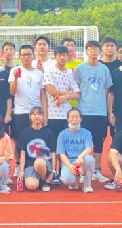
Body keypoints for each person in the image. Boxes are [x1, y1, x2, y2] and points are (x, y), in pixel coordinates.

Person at [73, 40, 112, 183]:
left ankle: (96, 171)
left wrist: (106, 108)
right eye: (90, 49)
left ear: (99, 51)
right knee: (83, 142)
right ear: (86, 51)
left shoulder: (104, 69)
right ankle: (82, 171)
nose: (93, 51)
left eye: (96, 48)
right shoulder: (80, 68)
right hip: (84, 111)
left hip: (100, 111)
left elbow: (106, 89)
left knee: (99, 142)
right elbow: (76, 88)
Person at [43, 45, 80, 184]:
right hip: (53, 114)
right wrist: (68, 94)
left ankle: (63, 171)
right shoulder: (50, 70)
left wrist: (65, 97)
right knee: (52, 146)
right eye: (59, 55)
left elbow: (77, 94)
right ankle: (52, 172)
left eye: (64, 54)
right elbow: (51, 91)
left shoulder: (69, 73)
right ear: (55, 57)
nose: (62, 57)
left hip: (66, 115)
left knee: (64, 145)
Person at [9, 44, 47, 175]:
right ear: (19, 57)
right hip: (20, 111)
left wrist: (44, 114)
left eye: (29, 54)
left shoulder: (39, 73)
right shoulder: (15, 70)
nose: (26, 57)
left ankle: (36, 165)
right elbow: (12, 92)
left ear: (33, 56)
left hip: (35, 112)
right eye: (23, 54)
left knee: (36, 139)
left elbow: (43, 94)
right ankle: (19, 164)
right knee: (19, 140)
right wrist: (15, 78)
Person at [17, 106, 57, 192]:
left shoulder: (49, 133)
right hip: (30, 165)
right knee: (31, 186)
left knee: (39, 162)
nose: (37, 116)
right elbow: (22, 154)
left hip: (44, 164)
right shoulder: (25, 133)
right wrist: (21, 171)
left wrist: (53, 171)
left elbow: (53, 153)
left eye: (39, 114)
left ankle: (43, 181)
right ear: (30, 116)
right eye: (34, 114)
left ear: (43, 117)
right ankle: (36, 178)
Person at [56, 108, 96, 192]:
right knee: (67, 179)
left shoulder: (86, 133)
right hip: (69, 161)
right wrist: (69, 166)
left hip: (82, 160)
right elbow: (61, 154)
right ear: (67, 119)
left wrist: (80, 157)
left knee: (90, 159)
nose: (74, 119)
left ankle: (87, 184)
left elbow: (89, 148)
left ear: (81, 119)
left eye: (77, 117)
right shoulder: (62, 134)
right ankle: (73, 181)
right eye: (72, 117)